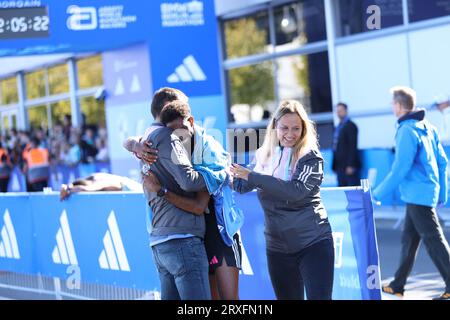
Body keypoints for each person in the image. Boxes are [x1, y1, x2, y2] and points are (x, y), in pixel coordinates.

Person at [231, 100, 334, 300]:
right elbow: (241, 186)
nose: (290, 133)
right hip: (277, 248)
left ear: (304, 129)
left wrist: (252, 176)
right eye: (284, 127)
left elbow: (295, 192)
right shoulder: (264, 155)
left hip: (313, 244)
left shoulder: (311, 157)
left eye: (296, 128)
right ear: (275, 127)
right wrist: (221, 170)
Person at [141, 101, 243, 300]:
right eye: (173, 134)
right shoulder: (174, 148)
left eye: (183, 130)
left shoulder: (207, 150)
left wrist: (162, 191)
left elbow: (198, 205)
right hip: (196, 236)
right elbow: (136, 141)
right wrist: (134, 145)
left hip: (221, 234)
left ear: (191, 121)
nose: (179, 138)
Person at [123, 88, 211, 300]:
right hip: (181, 239)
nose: (188, 115)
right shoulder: (166, 136)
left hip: (161, 241)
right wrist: (217, 174)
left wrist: (132, 143)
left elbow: (129, 142)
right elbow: (189, 182)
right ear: (168, 108)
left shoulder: (146, 137)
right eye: (182, 106)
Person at [373, 86, 450, 300]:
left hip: (417, 194)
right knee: (409, 239)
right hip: (423, 192)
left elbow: (401, 168)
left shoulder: (406, 130)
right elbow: (443, 162)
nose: (391, 108)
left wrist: (377, 194)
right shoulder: (428, 127)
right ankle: (398, 285)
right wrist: (442, 191)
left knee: (433, 240)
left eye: (392, 104)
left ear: (398, 105)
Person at [332, 102, 360, 186]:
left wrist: (351, 165)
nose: (338, 113)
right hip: (339, 165)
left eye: (341, 110)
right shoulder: (338, 126)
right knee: (342, 190)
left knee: (352, 190)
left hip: (348, 165)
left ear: (346, 111)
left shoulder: (351, 126)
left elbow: (353, 146)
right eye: (337, 111)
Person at [59, 172, 142, 201]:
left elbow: (87, 189)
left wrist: (69, 189)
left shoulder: (98, 181)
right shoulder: (93, 177)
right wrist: (68, 186)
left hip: (141, 194)